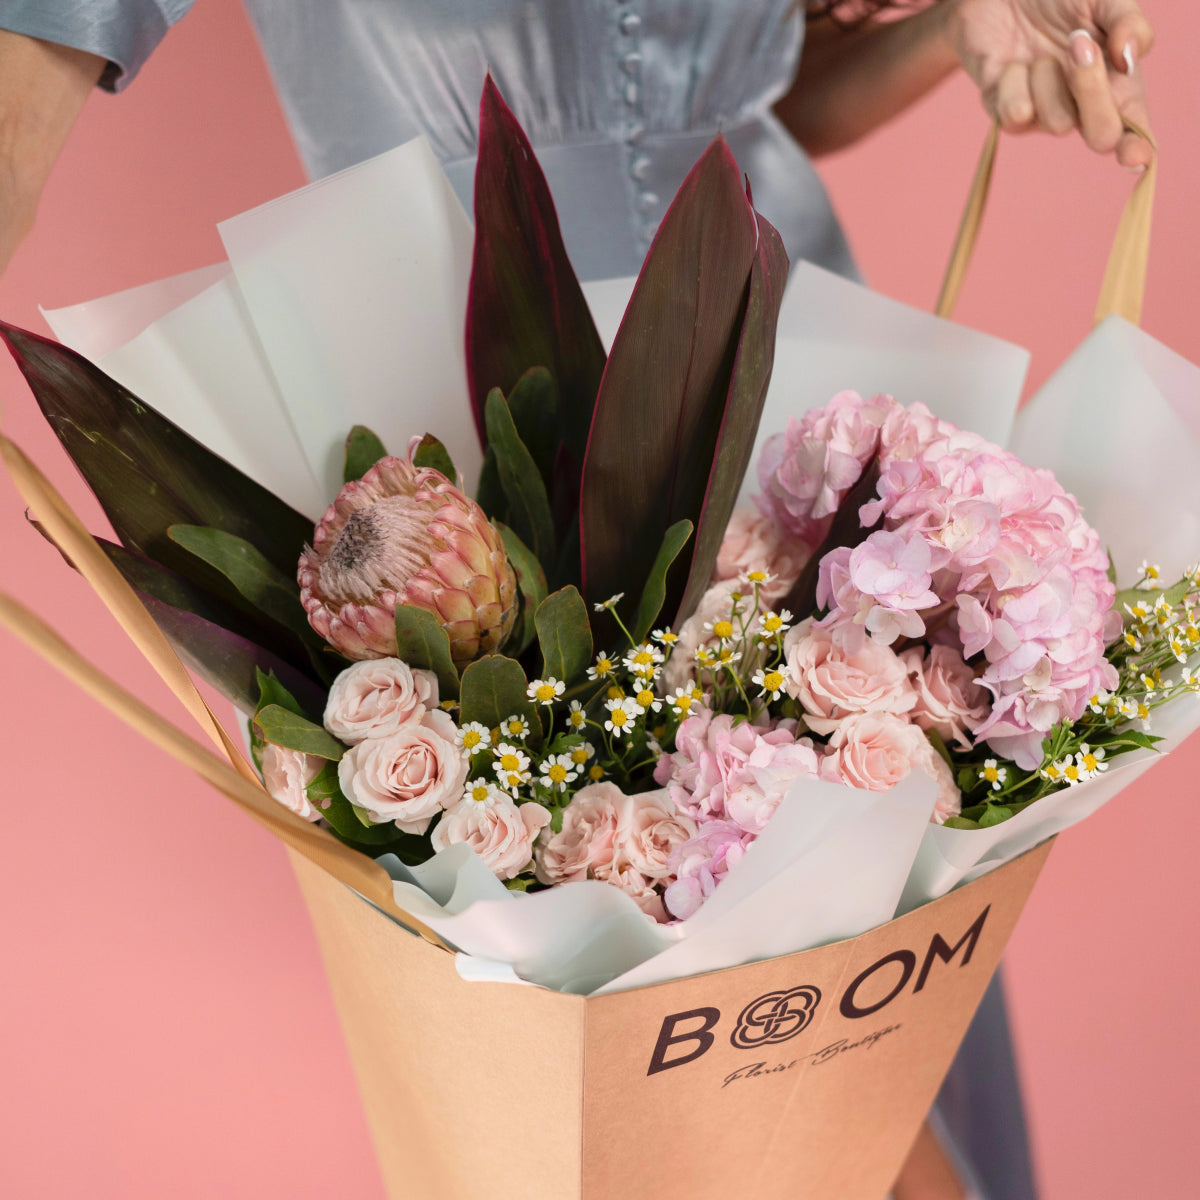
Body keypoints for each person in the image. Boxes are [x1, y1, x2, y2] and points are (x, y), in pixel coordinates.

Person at [0, 3, 1157, 1198]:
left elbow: (724, 101)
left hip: (785, 368)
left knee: (873, 982)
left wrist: (959, 20)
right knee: (695, 1067)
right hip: (484, 426)